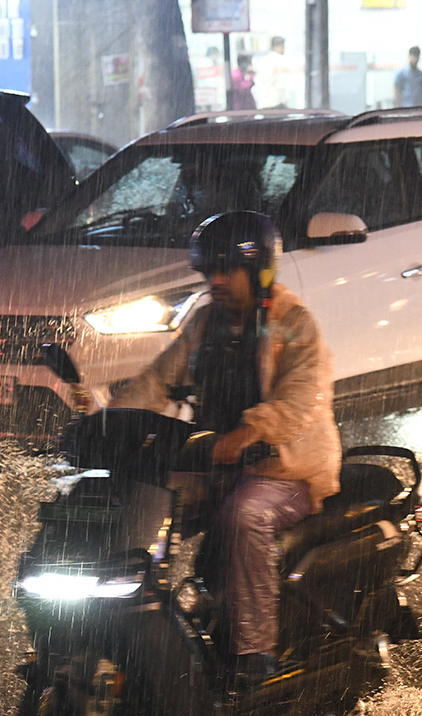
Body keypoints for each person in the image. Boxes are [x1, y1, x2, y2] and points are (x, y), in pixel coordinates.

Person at [111, 211, 342, 680]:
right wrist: (108, 426)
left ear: (259, 273)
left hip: (285, 471)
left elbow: (302, 396)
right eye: (208, 271)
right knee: (140, 503)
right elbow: (157, 382)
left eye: (225, 270)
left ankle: (253, 650)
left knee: (244, 515)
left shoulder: (294, 323)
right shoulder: (203, 323)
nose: (214, 280)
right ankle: (128, 626)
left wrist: (250, 432)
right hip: (212, 465)